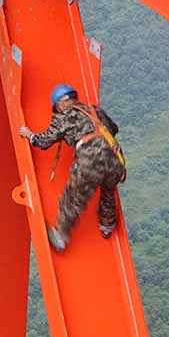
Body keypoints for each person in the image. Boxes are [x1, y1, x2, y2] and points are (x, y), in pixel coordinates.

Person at [19, 84, 125, 251]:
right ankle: (107, 227)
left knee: (73, 197)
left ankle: (61, 237)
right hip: (116, 160)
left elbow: (43, 141)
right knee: (108, 192)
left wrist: (28, 134)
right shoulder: (95, 110)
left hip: (90, 162)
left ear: (60, 104)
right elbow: (114, 129)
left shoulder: (64, 116)